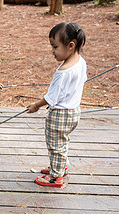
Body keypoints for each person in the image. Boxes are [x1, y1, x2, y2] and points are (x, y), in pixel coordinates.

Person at [27, 22, 87, 187]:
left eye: (55, 47)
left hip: (60, 115)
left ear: (70, 45)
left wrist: (36, 105)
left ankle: (56, 177)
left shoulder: (62, 71)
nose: (52, 51)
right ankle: (60, 166)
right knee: (63, 142)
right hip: (74, 112)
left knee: (56, 146)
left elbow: (51, 98)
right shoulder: (80, 62)